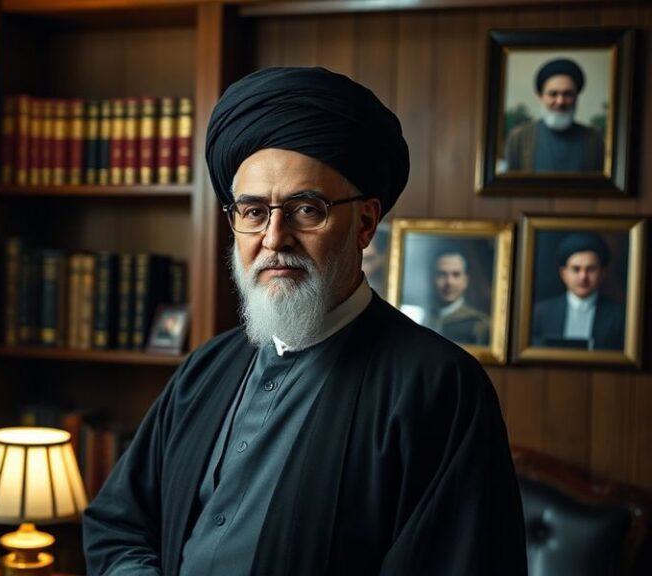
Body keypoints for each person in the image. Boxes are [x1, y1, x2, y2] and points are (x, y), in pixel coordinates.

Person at [83, 67, 527, 575]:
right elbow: (119, 525)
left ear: (364, 223)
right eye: (252, 212)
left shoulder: (439, 387)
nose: (274, 238)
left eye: (305, 210)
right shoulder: (205, 368)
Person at [504, 57, 605, 172]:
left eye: (567, 94)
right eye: (553, 94)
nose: (560, 101)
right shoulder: (518, 138)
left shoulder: (594, 140)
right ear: (541, 96)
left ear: (576, 97)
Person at [532, 232, 625, 350]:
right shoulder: (541, 313)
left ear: (602, 273)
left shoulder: (619, 316)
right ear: (563, 273)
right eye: (576, 269)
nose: (583, 277)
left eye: (591, 269)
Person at [426, 249, 490, 345]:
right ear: (432, 279)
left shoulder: (479, 324)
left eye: (456, 275)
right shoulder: (422, 319)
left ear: (466, 281)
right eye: (442, 274)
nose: (449, 283)